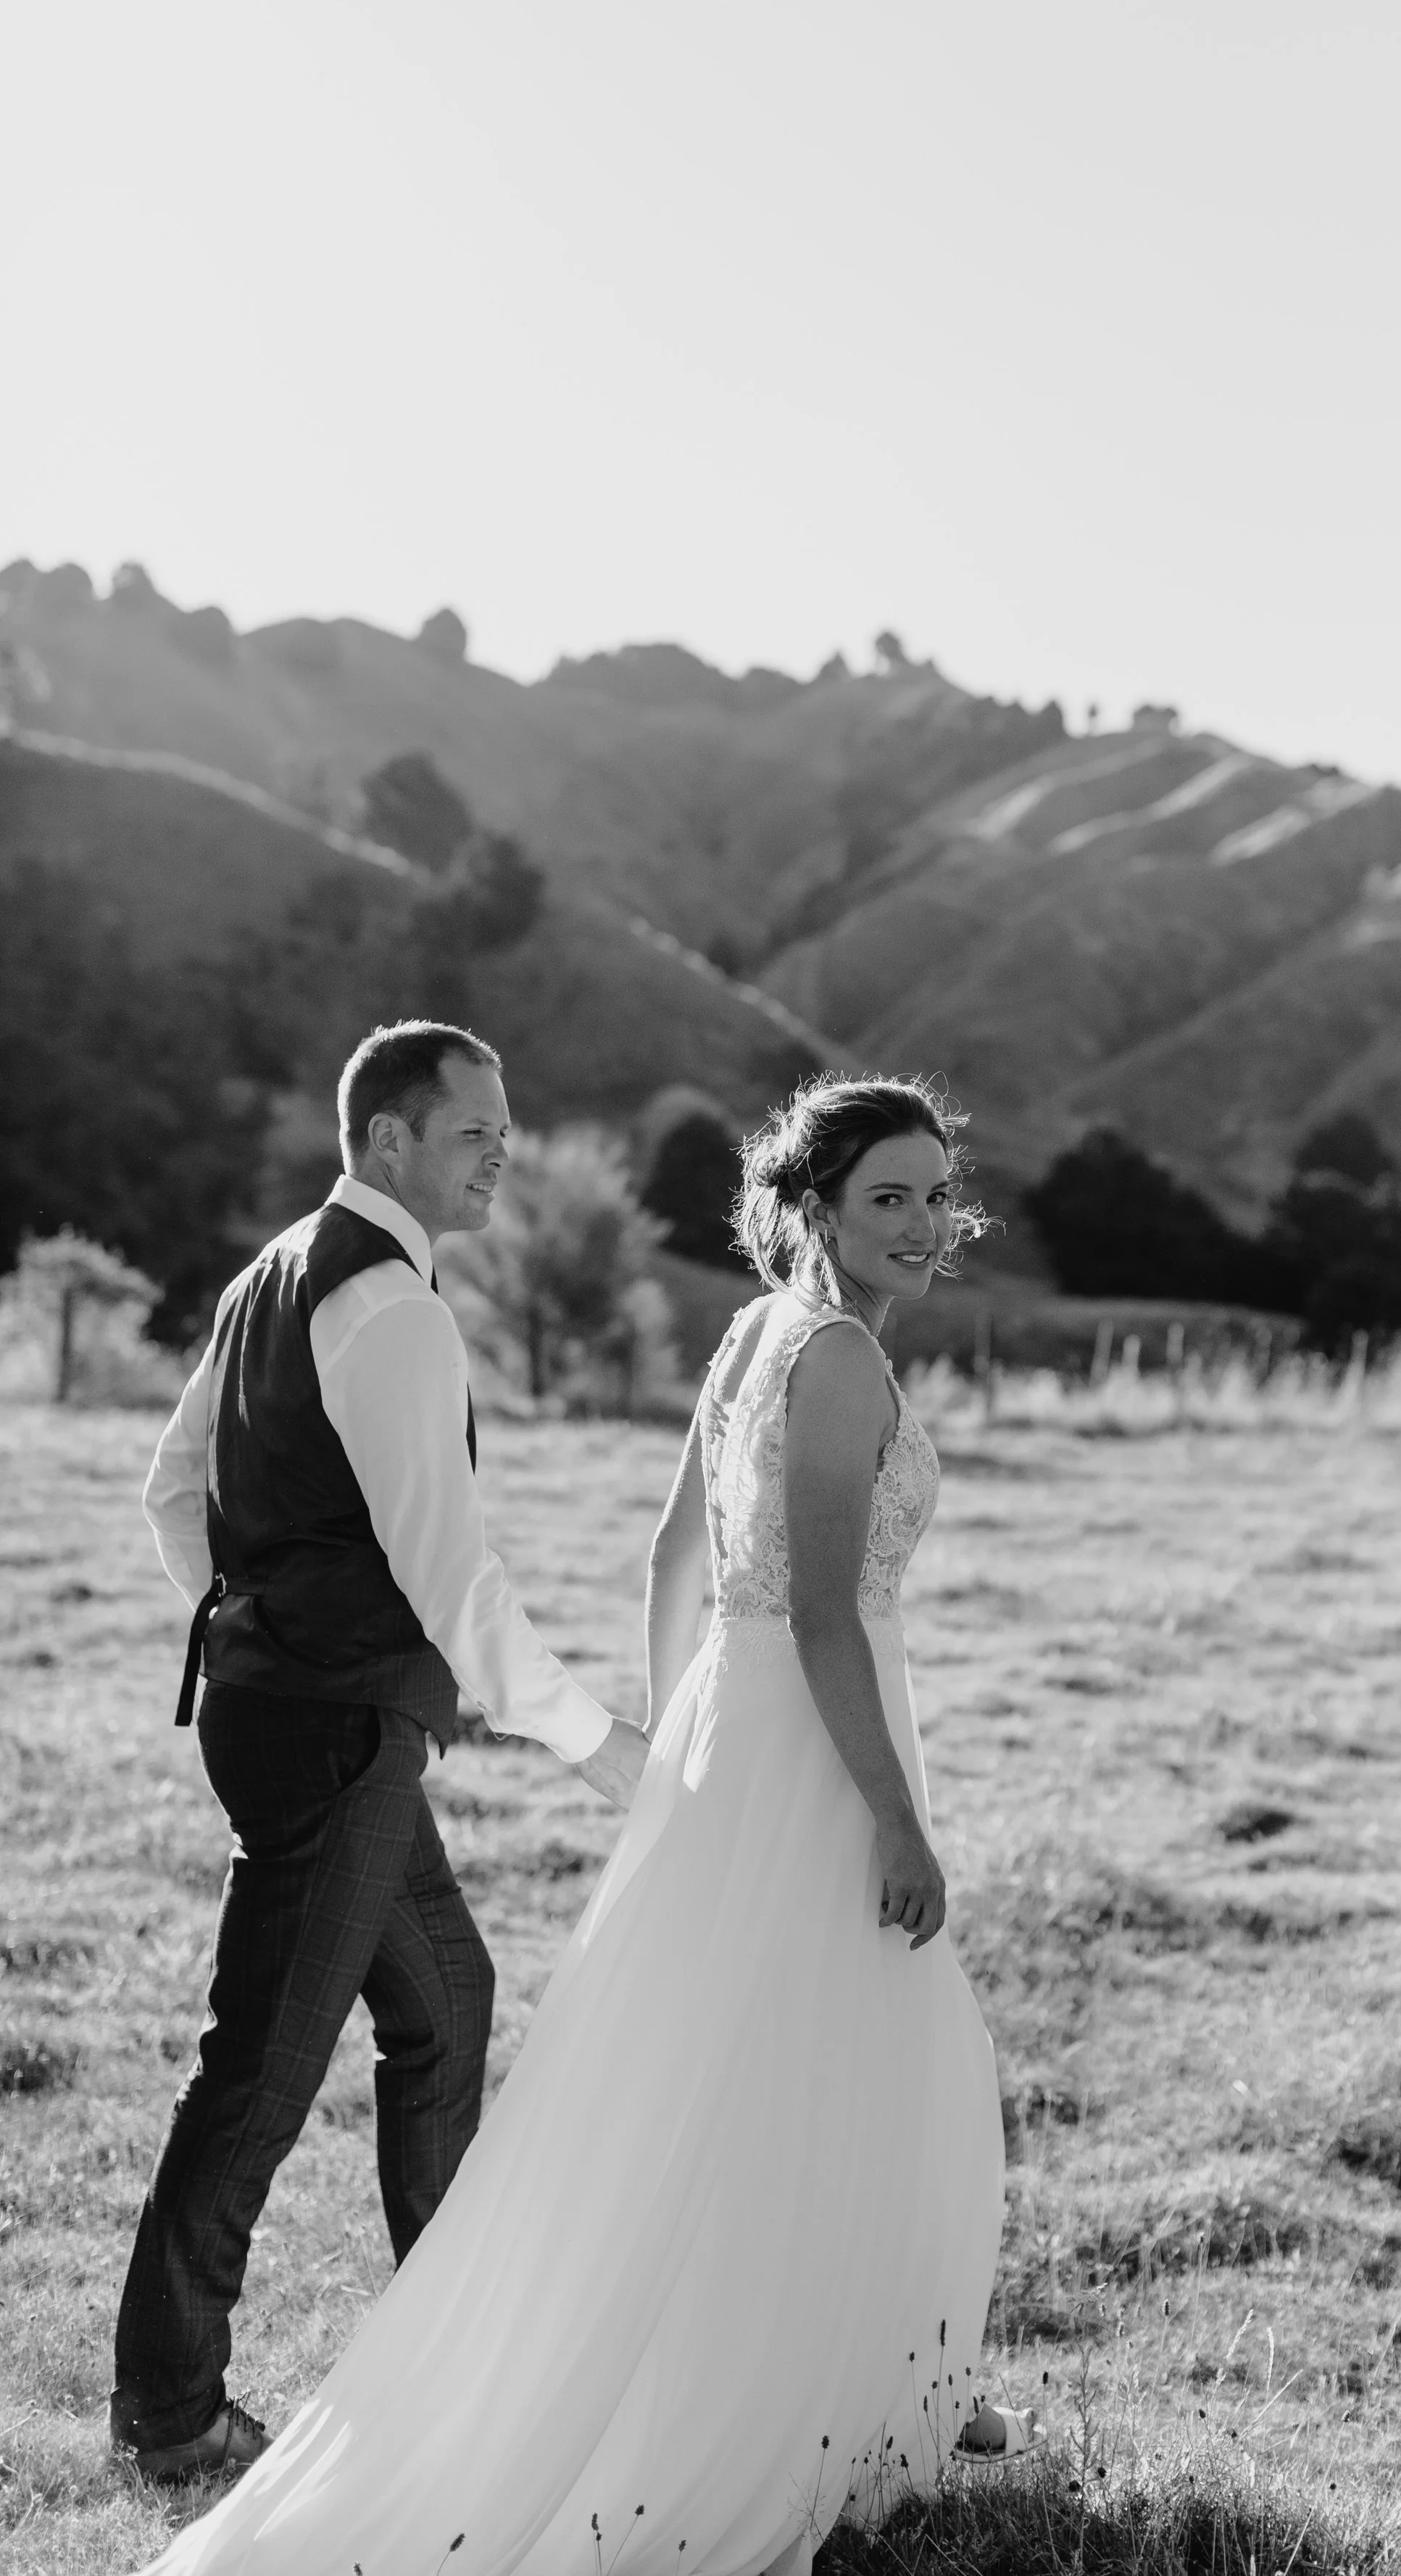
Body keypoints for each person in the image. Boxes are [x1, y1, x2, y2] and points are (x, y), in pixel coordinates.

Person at [133, 1072, 1024, 2576]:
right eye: (889, 1198)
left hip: (736, 1742)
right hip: (811, 1745)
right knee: (846, 2055)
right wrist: (887, 1816)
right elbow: (814, 1608)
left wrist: (690, 1746)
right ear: (811, 1211)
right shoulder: (839, 1368)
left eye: (939, 1195)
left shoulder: (748, 1333)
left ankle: (858, 2388)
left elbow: (679, 1552)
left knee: (720, 2061)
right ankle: (816, 2404)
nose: (927, 1225)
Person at [114, 1020, 647, 2485]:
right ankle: (169, 2414)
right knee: (261, 2072)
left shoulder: (266, 1275)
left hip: (285, 1712)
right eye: (474, 1125)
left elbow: (171, 1496)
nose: (501, 1150)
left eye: (504, 1126)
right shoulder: (393, 1309)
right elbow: (450, 1573)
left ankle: (454, 2340)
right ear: (391, 1138)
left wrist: (258, 1631)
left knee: (449, 1996)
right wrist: (597, 1743)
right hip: (334, 1732)